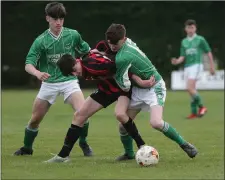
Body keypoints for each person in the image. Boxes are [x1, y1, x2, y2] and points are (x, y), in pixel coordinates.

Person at [44, 40, 156, 163]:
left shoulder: (92, 64)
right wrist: (101, 50)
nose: (76, 73)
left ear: (76, 61)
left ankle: (142, 145)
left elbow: (121, 66)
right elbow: (103, 47)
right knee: (79, 115)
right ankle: (63, 155)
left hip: (122, 89)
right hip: (106, 89)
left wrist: (140, 81)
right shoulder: (85, 61)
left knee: (120, 114)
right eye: (72, 73)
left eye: (74, 69)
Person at [104, 23, 198, 160]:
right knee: (123, 126)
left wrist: (108, 72)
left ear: (124, 39)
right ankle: (129, 154)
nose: (112, 46)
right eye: (109, 43)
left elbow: (124, 86)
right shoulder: (128, 43)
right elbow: (131, 72)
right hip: (138, 89)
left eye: (115, 43)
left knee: (156, 122)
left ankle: (184, 144)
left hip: (154, 87)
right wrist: (139, 80)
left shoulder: (122, 57)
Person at [13, 2, 93, 157]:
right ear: (47, 18)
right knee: (35, 120)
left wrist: (85, 67)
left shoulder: (73, 35)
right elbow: (28, 64)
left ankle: (83, 142)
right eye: (55, 18)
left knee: (83, 112)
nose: (58, 22)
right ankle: (27, 148)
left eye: (61, 18)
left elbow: (87, 52)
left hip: (69, 82)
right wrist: (37, 73)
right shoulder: (41, 40)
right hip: (49, 84)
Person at [171, 19, 215, 119]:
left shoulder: (200, 39)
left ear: (195, 28)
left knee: (190, 88)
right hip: (187, 67)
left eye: (192, 27)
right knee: (191, 90)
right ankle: (194, 113)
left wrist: (212, 66)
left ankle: (202, 107)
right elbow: (182, 56)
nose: (190, 30)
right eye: (188, 28)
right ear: (185, 29)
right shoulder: (184, 41)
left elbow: (208, 52)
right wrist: (177, 61)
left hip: (197, 65)